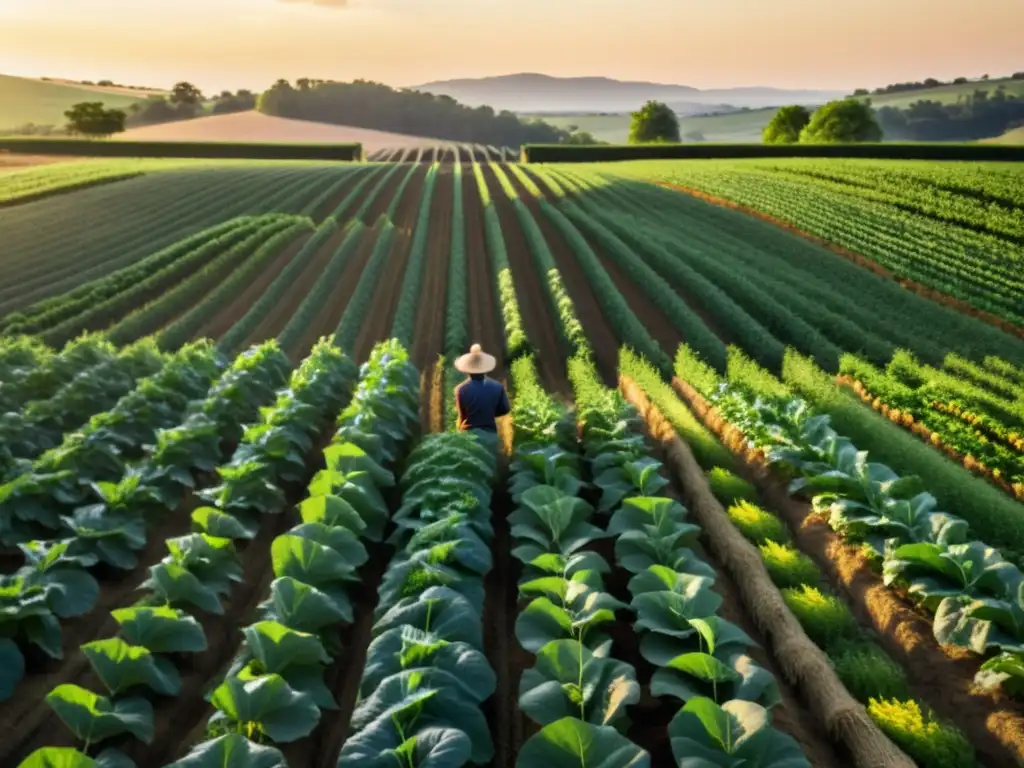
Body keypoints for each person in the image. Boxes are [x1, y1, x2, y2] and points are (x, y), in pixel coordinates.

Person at [454, 343, 510, 454]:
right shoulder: (497, 387)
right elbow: (505, 409)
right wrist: (489, 410)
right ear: (485, 369)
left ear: (468, 369)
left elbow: (462, 415)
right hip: (490, 434)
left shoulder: (461, 389)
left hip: (469, 436)